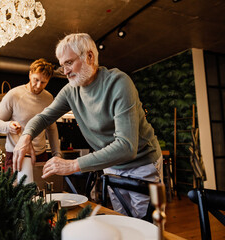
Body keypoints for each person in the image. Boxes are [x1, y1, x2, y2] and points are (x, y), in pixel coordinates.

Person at [12, 33, 162, 219]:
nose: (65, 71)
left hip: (141, 164)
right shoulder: (70, 91)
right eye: (62, 65)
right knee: (121, 220)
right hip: (112, 166)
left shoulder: (118, 82)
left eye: (69, 63)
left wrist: (73, 165)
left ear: (89, 57)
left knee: (144, 225)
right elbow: (43, 118)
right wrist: (26, 137)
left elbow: (126, 147)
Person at [0, 58, 62, 172]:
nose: (39, 85)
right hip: (16, 153)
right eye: (36, 80)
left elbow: (52, 128)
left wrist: (57, 154)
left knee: (39, 189)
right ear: (30, 74)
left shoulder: (48, 98)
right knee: (14, 188)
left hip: (41, 155)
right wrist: (9, 126)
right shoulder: (13, 95)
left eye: (43, 82)